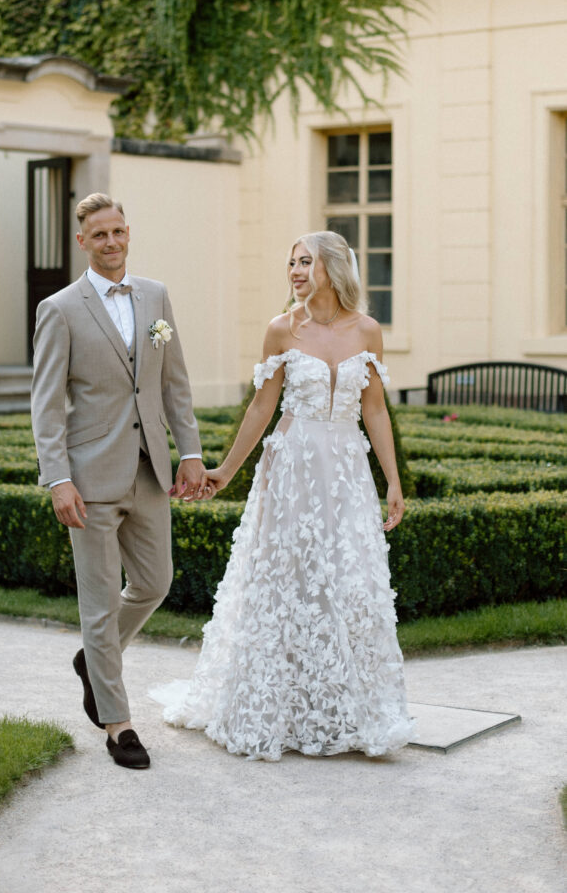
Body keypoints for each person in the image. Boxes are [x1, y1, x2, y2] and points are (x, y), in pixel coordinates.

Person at [152, 231, 415, 760]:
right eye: (291, 263)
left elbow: (375, 410)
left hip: (345, 472)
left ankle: (348, 709)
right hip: (292, 468)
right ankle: (278, 708)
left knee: (350, 582)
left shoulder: (367, 331)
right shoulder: (281, 330)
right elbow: (260, 408)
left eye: (304, 262)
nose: (294, 272)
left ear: (333, 268)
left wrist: (392, 479)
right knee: (287, 581)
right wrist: (227, 469)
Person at [31, 192, 206, 770]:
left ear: (129, 233)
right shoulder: (59, 309)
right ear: (82, 241)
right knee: (100, 601)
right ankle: (118, 724)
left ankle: (93, 661)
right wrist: (57, 478)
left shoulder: (154, 296)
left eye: (119, 231)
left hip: (150, 469)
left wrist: (190, 452)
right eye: (99, 234)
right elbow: (47, 405)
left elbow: (172, 383)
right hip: (89, 478)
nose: (111, 242)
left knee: (155, 582)